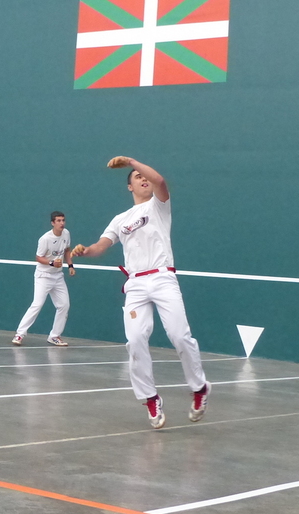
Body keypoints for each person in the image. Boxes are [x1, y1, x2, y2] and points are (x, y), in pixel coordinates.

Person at [71, 157, 209, 429]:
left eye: (143, 175)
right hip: (135, 284)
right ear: (129, 187)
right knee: (135, 340)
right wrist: (85, 251)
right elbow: (101, 245)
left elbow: (160, 181)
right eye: (136, 177)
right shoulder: (120, 220)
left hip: (162, 278)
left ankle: (199, 388)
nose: (143, 178)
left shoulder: (159, 206)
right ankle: (150, 398)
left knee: (179, 336)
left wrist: (131, 162)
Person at [12, 211, 75, 347]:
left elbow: (67, 250)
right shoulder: (45, 239)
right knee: (37, 304)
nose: (62, 223)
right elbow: (38, 257)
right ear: (52, 223)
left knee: (64, 305)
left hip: (58, 276)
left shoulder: (66, 234)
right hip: (43, 276)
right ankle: (19, 334)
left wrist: (70, 265)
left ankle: (54, 336)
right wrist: (51, 263)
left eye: (63, 220)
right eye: (58, 221)